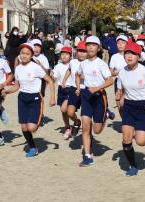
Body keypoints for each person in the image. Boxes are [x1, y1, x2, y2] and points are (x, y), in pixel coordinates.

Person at [2, 42, 55, 157]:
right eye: (22, 53)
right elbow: (17, 86)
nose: (24, 56)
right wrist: (6, 91)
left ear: (31, 55)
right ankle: (33, 147)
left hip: (35, 98)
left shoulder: (35, 67)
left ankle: (38, 119)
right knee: (24, 127)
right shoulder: (18, 69)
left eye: (27, 54)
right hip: (22, 98)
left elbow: (50, 80)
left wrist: (52, 98)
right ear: (19, 54)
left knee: (31, 128)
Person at [116, 42, 145, 176]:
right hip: (129, 107)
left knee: (141, 142)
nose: (129, 56)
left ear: (139, 57)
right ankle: (133, 166)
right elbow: (120, 88)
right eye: (127, 54)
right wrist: (121, 94)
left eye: (133, 54)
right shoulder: (122, 71)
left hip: (143, 108)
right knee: (126, 139)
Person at [75, 36, 114, 167]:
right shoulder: (83, 63)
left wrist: (97, 88)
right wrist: (78, 87)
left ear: (98, 48)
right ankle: (87, 156)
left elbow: (110, 80)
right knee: (85, 127)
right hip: (86, 96)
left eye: (93, 45)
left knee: (96, 130)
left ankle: (106, 115)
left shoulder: (101, 64)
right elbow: (77, 74)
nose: (90, 47)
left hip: (99, 96)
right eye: (88, 45)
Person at [61, 41, 88, 138]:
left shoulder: (89, 63)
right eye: (79, 51)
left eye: (84, 51)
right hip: (73, 89)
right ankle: (76, 122)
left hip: (86, 90)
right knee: (70, 112)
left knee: (86, 117)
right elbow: (69, 70)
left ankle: (88, 136)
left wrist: (86, 77)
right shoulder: (73, 62)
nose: (81, 53)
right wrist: (64, 79)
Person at [51, 47, 75, 139]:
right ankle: (68, 128)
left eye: (66, 54)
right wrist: (52, 75)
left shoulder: (73, 64)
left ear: (70, 55)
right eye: (62, 54)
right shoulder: (58, 66)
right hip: (61, 89)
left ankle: (76, 121)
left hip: (71, 89)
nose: (64, 56)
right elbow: (54, 79)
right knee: (63, 111)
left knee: (65, 109)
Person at [109, 35, 128, 116]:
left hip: (129, 81)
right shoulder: (114, 57)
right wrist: (117, 73)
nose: (120, 44)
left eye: (122, 43)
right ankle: (124, 120)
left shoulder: (129, 55)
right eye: (118, 43)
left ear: (126, 44)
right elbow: (111, 71)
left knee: (127, 102)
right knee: (118, 101)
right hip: (118, 81)